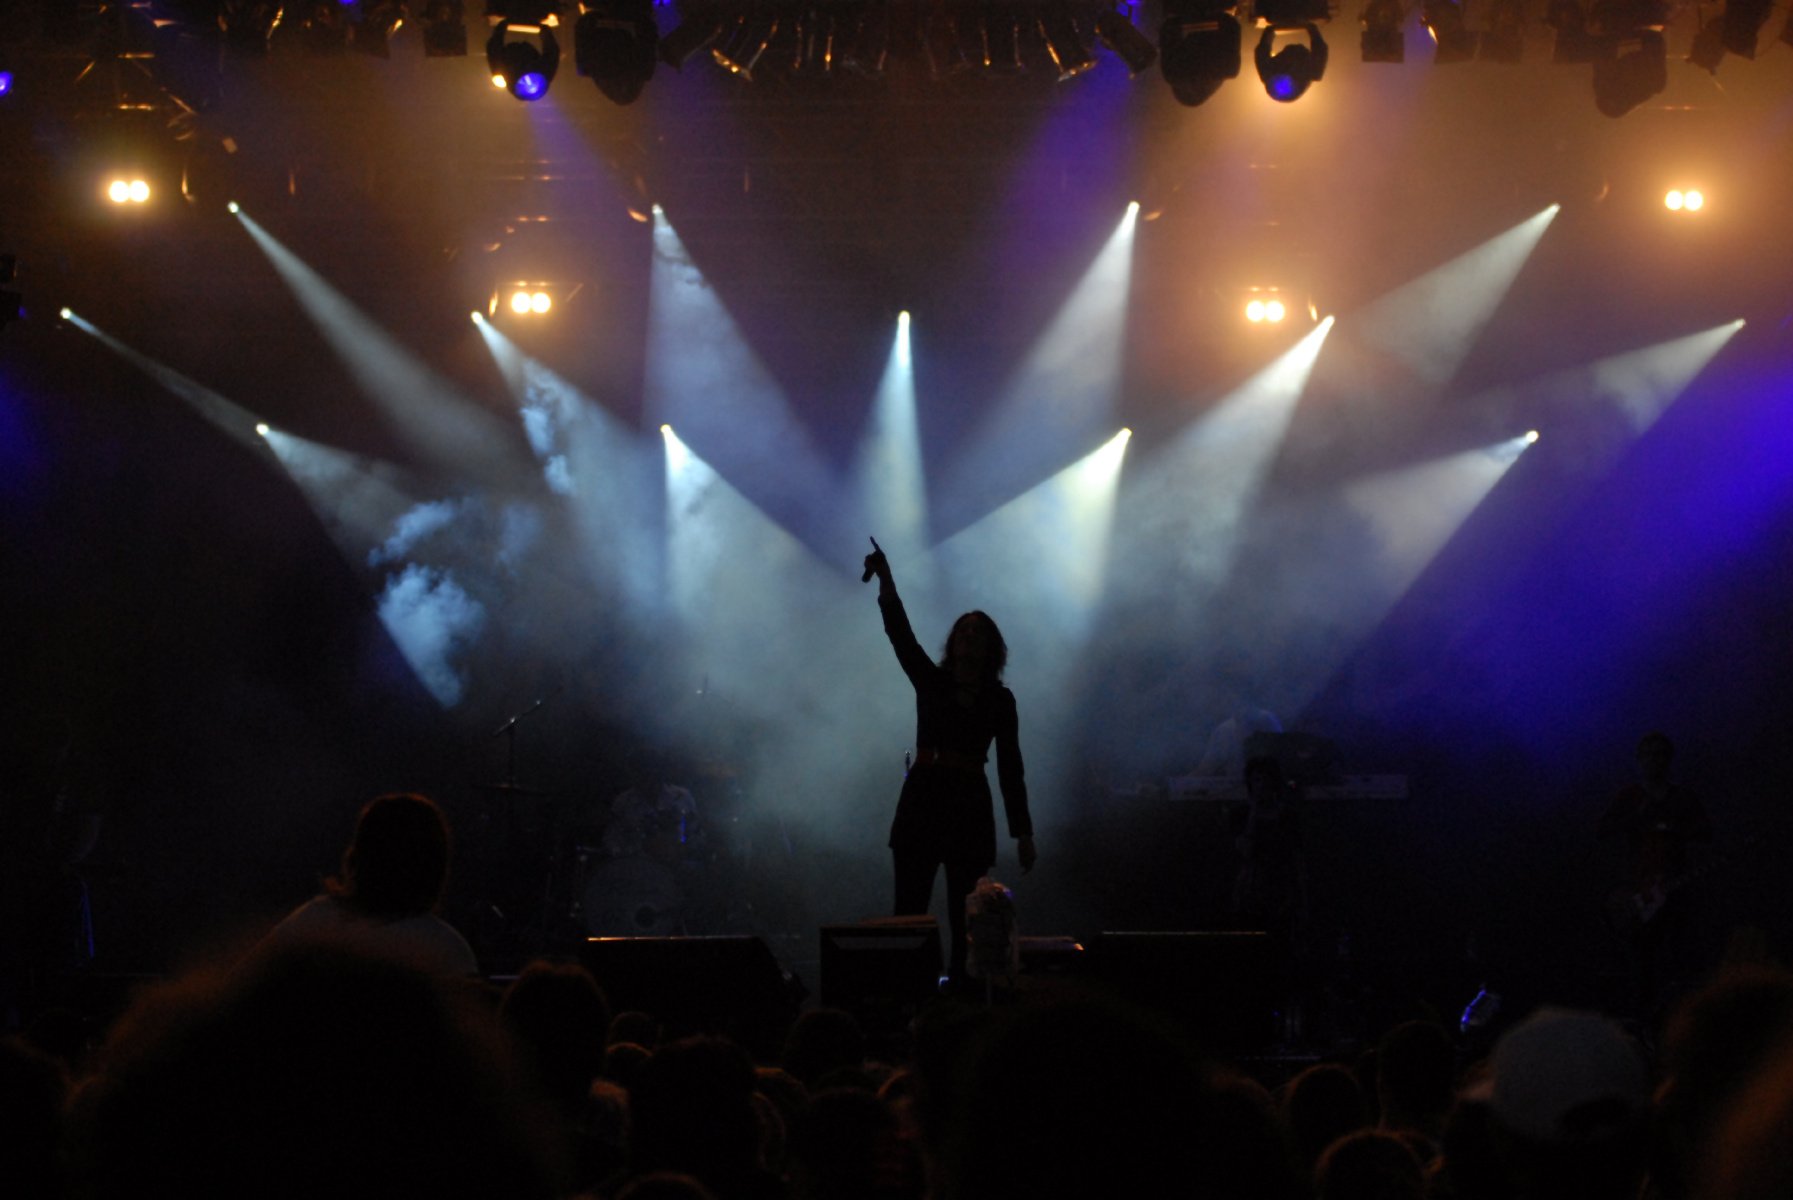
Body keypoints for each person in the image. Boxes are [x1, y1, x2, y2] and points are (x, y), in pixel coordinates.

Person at [862, 537, 1035, 985]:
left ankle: (963, 997)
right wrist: (887, 581)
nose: (969, 636)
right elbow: (900, 637)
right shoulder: (931, 681)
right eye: (963, 630)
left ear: (991, 647)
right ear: (953, 642)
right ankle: (908, 1000)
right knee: (910, 911)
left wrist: (1024, 831)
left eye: (978, 632)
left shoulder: (1000, 700)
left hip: (968, 805)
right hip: (923, 798)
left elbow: (1010, 766)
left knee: (968, 915)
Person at [267, 792, 479, 977]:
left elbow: (241, 989)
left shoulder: (310, 921)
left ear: (358, 854)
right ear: (435, 864)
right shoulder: (444, 949)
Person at [1597, 731, 1712, 1014]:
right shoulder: (1630, 797)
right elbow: (1602, 833)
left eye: (1660, 754)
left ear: (1669, 759)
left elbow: (1705, 835)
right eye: (1648, 754)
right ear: (1639, 760)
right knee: (1641, 962)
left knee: (1678, 960)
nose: (1654, 761)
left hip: (1675, 888)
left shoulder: (1683, 798)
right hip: (1637, 890)